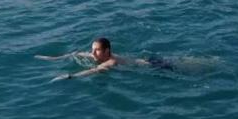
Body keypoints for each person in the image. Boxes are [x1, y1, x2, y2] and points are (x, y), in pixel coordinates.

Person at [35, 38, 172, 81]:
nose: (92, 52)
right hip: (148, 61)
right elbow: (76, 53)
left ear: (107, 51)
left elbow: (95, 70)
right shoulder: (97, 55)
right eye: (92, 49)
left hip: (156, 66)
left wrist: (71, 76)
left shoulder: (111, 61)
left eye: (97, 50)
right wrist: (53, 59)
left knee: (187, 67)